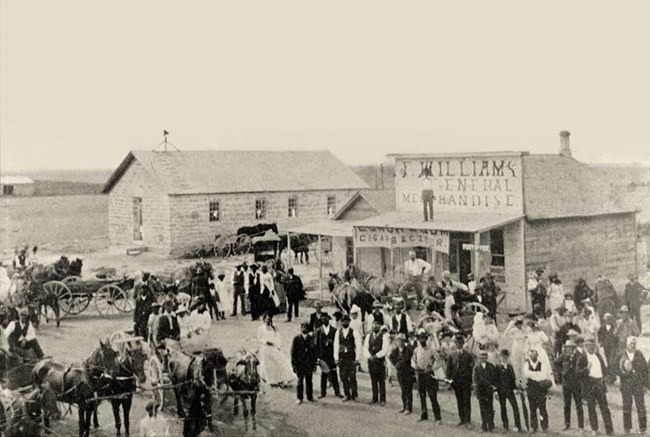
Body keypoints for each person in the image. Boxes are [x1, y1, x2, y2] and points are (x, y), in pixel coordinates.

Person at [578, 337, 613, 436]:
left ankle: (609, 430)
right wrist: (586, 369)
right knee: (591, 407)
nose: (591, 348)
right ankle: (594, 429)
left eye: (593, 346)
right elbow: (577, 372)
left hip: (600, 383)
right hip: (589, 384)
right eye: (589, 346)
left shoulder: (598, 355)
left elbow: (605, 369)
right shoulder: (583, 357)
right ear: (585, 347)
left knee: (604, 408)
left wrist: (606, 377)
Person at [614, 336, 647, 434]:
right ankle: (627, 429)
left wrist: (645, 385)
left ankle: (643, 429)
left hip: (638, 385)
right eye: (631, 344)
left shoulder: (639, 354)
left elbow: (645, 370)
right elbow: (613, 368)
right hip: (626, 385)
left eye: (634, 344)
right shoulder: (620, 355)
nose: (633, 346)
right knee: (627, 406)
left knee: (641, 407)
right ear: (626, 344)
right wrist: (622, 372)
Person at [410, 329, 442, 423]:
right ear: (418, 339)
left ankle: (438, 418)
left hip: (429, 375)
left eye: (424, 338)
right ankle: (424, 415)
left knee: (433, 397)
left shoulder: (431, 350)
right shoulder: (416, 350)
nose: (422, 340)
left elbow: (440, 362)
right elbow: (412, 360)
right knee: (422, 396)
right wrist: (415, 366)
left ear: (426, 339)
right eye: (420, 338)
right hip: (420, 374)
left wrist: (432, 368)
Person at [554, 339, 585, 432]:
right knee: (566, 405)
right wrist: (561, 372)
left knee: (579, 405)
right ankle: (567, 424)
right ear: (565, 348)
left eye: (571, 348)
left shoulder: (580, 356)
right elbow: (555, 363)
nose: (569, 349)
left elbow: (584, 367)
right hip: (566, 384)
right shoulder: (563, 356)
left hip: (576, 384)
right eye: (567, 348)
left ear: (574, 348)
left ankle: (581, 426)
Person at [257, 313, 295, 387]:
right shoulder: (261, 328)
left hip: (273, 347)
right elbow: (259, 338)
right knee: (268, 365)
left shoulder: (274, 328)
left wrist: (278, 346)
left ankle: (279, 379)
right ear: (264, 319)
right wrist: (265, 342)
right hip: (265, 348)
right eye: (266, 319)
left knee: (279, 362)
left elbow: (278, 338)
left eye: (269, 319)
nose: (268, 320)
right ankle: (271, 380)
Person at [447, 334, 475, 428]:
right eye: (457, 343)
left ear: (463, 344)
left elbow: (471, 369)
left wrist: (472, 382)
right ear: (455, 344)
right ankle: (462, 419)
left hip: (466, 382)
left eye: (461, 343)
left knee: (466, 401)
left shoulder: (468, 355)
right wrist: (449, 382)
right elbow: (449, 369)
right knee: (459, 401)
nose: (459, 345)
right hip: (456, 382)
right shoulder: (452, 355)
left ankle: (468, 421)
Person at [333, 314, 362, 402]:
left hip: (351, 357)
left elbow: (358, 345)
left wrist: (357, 359)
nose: (345, 322)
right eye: (343, 321)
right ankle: (346, 394)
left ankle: (354, 394)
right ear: (341, 322)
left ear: (349, 322)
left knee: (352, 377)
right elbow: (336, 345)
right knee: (343, 377)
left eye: (346, 321)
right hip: (342, 358)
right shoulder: (338, 332)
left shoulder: (354, 332)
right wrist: (336, 358)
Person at [523, 349, 552, 433]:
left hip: (540, 389)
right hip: (531, 389)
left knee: (542, 408)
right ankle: (533, 427)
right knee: (532, 409)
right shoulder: (526, 364)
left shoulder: (542, 364)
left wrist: (532, 375)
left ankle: (544, 426)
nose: (532, 357)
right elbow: (526, 373)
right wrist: (537, 375)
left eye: (534, 355)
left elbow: (543, 376)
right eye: (531, 355)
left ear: (537, 356)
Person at [363, 319, 390, 405]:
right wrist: (369, 356)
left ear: (380, 326)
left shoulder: (384, 336)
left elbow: (385, 349)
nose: (376, 326)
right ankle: (374, 398)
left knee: (381, 381)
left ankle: (382, 399)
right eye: (374, 324)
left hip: (379, 361)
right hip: (371, 361)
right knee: (373, 380)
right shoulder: (368, 336)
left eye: (378, 324)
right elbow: (365, 348)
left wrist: (376, 356)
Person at [315, 313, 341, 399]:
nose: (324, 320)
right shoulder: (318, 331)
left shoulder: (334, 330)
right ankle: (323, 393)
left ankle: (337, 392)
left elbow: (337, 343)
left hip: (331, 355)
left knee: (334, 374)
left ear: (328, 319)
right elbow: (316, 345)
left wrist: (332, 342)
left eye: (326, 318)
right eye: (323, 319)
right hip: (323, 356)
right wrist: (318, 357)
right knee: (324, 375)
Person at [495, 349, 521, 433]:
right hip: (501, 391)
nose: (504, 358)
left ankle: (517, 426)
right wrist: (495, 391)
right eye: (502, 356)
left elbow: (513, 379)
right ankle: (505, 426)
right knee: (503, 408)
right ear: (500, 357)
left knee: (515, 407)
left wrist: (515, 389)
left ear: (507, 357)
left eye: (506, 356)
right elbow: (495, 380)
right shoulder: (497, 367)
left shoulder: (510, 366)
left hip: (509, 391)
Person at [291, 322, 317, 404]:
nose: (304, 329)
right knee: (300, 381)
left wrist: (314, 364)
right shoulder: (296, 339)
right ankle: (299, 398)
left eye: (305, 327)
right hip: (300, 364)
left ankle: (310, 396)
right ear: (300, 328)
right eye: (302, 327)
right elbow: (293, 352)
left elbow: (314, 352)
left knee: (309, 381)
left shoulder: (311, 338)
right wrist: (293, 365)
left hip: (309, 364)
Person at [389, 333, 415, 416]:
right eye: (398, 341)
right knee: (403, 390)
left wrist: (400, 364)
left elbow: (409, 359)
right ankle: (404, 406)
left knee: (408, 390)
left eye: (402, 341)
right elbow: (390, 357)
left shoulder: (408, 350)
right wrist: (395, 364)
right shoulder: (395, 350)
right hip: (400, 372)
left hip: (408, 372)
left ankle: (408, 408)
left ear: (404, 342)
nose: (400, 342)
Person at [473, 350, 496, 433]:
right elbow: (475, 380)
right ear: (479, 358)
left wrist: (494, 389)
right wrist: (476, 391)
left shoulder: (491, 366)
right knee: (482, 408)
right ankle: (484, 426)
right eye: (481, 357)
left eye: (485, 356)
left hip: (489, 390)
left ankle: (491, 425)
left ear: (487, 357)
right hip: (481, 391)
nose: (483, 358)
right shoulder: (476, 368)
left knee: (490, 408)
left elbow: (494, 379)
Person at [502, 316, 527, 383]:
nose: (519, 325)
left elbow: (527, 338)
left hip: (522, 347)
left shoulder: (524, 330)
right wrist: (509, 326)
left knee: (522, 363)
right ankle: (516, 379)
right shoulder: (513, 330)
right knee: (515, 363)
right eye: (517, 324)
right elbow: (504, 336)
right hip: (515, 347)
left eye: (520, 323)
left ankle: (523, 380)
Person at [597, 313, 619, 384]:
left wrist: (616, 344)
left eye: (609, 319)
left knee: (611, 361)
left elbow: (617, 336)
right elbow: (599, 334)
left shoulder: (614, 327)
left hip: (613, 347)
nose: (608, 321)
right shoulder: (602, 327)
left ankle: (611, 377)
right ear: (604, 320)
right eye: (606, 319)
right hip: (606, 347)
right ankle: (610, 377)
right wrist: (601, 342)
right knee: (607, 360)